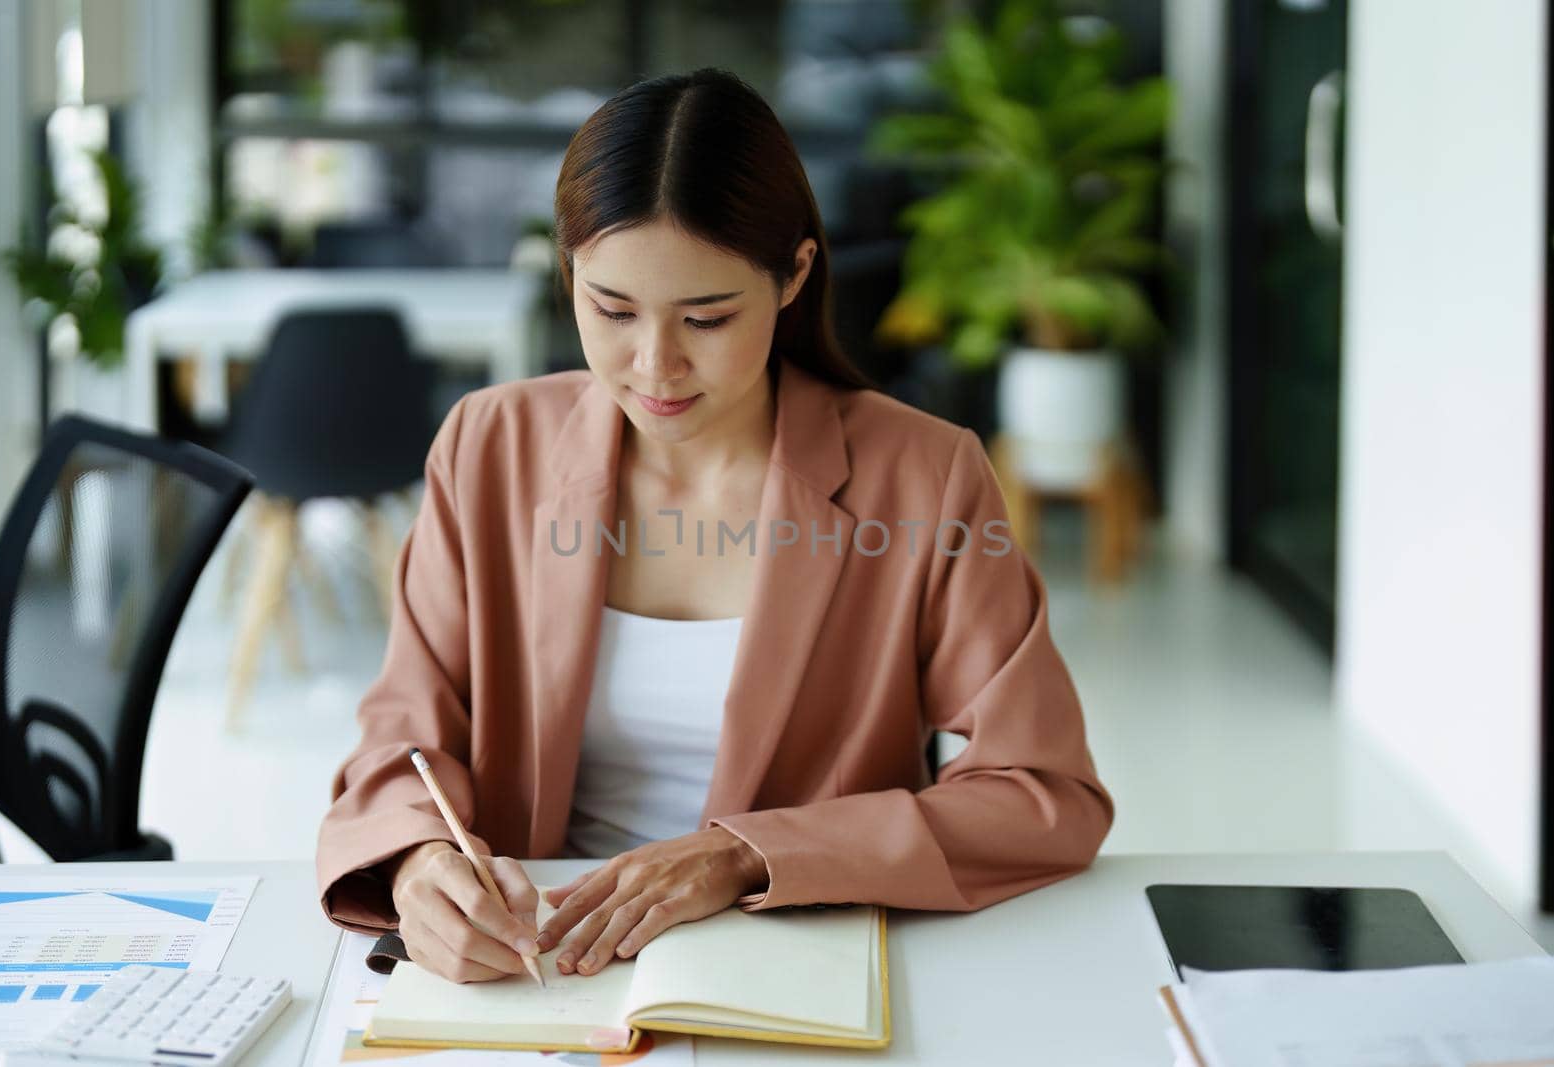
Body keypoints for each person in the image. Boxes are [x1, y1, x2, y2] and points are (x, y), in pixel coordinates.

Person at [315, 67, 1114, 985]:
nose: (656, 364)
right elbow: (402, 738)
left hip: (794, 973)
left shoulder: (924, 476)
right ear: (567, 273)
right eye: (612, 309)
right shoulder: (488, 447)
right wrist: (419, 862)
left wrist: (747, 853)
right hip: (541, 978)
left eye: (707, 316)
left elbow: (1046, 793)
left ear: (794, 276)